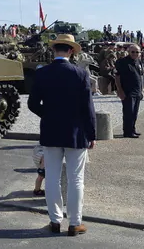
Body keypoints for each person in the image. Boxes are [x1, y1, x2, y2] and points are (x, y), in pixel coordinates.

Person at [28, 34, 96, 236]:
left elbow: (32, 104)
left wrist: (47, 115)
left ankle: (55, 220)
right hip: (76, 133)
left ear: (54, 50)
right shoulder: (81, 74)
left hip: (51, 130)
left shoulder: (42, 73)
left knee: (52, 178)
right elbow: (88, 108)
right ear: (71, 51)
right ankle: (75, 223)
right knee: (76, 179)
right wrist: (91, 133)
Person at [114, 44, 144, 138]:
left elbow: (141, 76)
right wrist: (119, 90)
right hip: (127, 91)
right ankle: (127, 132)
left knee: (134, 113)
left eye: (137, 52)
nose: (135, 54)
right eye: (133, 52)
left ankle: (132, 129)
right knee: (128, 113)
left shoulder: (139, 61)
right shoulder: (122, 62)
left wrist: (141, 90)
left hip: (137, 91)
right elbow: (117, 76)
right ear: (128, 51)